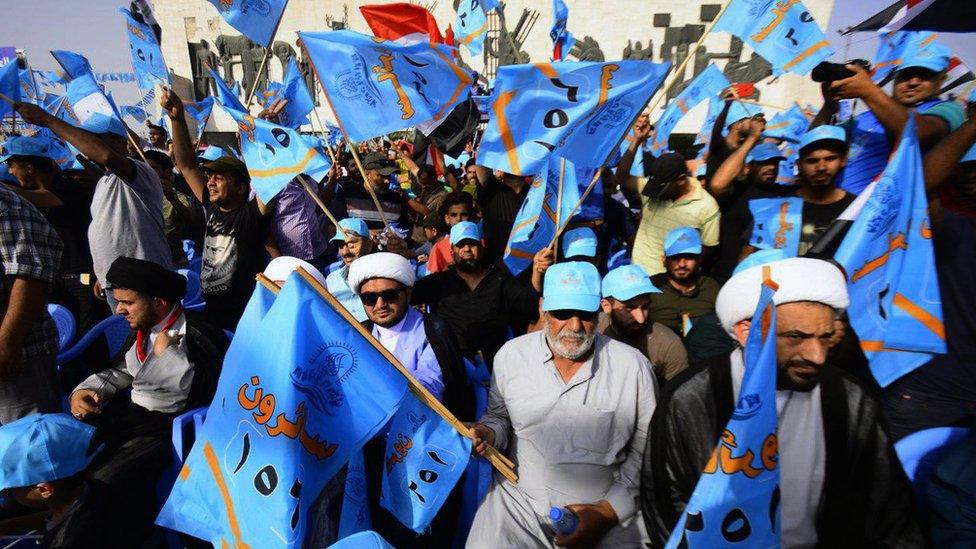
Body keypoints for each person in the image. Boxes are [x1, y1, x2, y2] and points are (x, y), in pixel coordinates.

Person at [641, 257, 923, 547]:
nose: (817, 356)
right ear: (747, 332)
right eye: (796, 337)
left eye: (825, 337)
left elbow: (888, 509)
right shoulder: (692, 398)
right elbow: (666, 500)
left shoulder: (850, 400)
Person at [467, 261, 657, 548]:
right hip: (520, 505)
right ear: (542, 308)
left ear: (599, 311)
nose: (575, 326)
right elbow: (499, 417)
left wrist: (607, 511)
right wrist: (487, 434)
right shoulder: (511, 356)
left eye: (585, 314)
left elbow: (647, 449)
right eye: (562, 314)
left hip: (604, 508)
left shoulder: (633, 368)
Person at [69, 256, 227, 544]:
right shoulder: (146, 330)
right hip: (137, 423)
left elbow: (177, 400)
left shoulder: (197, 335)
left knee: (104, 482)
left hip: (174, 431)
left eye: (127, 302)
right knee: (71, 461)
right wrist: (86, 390)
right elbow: (123, 370)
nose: (119, 310)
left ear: (158, 303)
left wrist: (165, 356)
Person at [347, 252, 471, 548]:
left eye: (389, 295)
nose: (379, 305)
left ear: (408, 292)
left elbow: (428, 386)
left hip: (422, 449)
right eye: (369, 298)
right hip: (373, 452)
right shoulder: (359, 334)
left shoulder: (434, 329)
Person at [14, 103, 173, 313]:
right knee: (135, 343)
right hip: (116, 283)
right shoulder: (104, 181)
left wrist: (48, 120)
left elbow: (105, 156)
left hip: (143, 281)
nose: (84, 144)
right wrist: (103, 273)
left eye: (95, 138)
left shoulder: (139, 171)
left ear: (119, 141)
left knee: (155, 340)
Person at [881, 103, 976, 440]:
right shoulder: (948, 230)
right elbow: (915, 192)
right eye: (966, 169)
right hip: (929, 394)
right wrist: (972, 127)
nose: (973, 178)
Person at [161, 88, 272, 331]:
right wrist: (177, 119)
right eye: (210, 176)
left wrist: (265, 134)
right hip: (212, 309)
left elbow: (271, 181)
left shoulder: (252, 216)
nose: (210, 182)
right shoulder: (211, 207)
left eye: (219, 178)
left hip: (245, 315)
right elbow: (188, 166)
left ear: (242, 187)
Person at [814, 43, 966, 195]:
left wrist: (868, 91)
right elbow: (814, 146)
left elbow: (918, 133)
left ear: (942, 79)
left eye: (925, 75)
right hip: (836, 209)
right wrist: (828, 106)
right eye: (906, 74)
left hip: (882, 214)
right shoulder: (865, 117)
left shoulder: (950, 110)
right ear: (895, 75)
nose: (913, 82)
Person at [1, 135, 102, 333]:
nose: (11, 171)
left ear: (30, 167)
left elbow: (44, 199)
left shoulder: (69, 186)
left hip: (81, 274)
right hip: (55, 276)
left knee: (86, 330)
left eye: (13, 165)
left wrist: (4, 190)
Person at [412, 221, 539, 367]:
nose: (467, 249)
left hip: (497, 366)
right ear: (452, 251)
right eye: (461, 245)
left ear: (481, 247)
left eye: (472, 244)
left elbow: (528, 304)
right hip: (449, 367)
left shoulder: (500, 280)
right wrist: (400, 253)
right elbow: (404, 295)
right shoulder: (438, 282)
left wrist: (537, 272)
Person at [737, 126, 856, 260]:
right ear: (799, 165)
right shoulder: (776, 208)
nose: (821, 167)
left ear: (843, 160)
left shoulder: (856, 210)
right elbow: (747, 260)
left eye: (830, 159)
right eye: (812, 160)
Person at [0, 414, 112, 548]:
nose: (5, 493)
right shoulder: (94, 489)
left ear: (44, 490)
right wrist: (11, 525)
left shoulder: (72, 541)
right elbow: (59, 517)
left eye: (8, 490)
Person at [0, 184, 63, 423]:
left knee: (28, 445)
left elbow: (31, 275)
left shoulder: (5, 204)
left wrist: (8, 344)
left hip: (17, 355)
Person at [626, 151, 720, 276]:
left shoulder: (707, 206)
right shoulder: (653, 189)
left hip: (668, 285)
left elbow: (707, 248)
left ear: (681, 180)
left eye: (663, 188)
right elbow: (621, 177)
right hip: (637, 277)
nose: (656, 193)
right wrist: (636, 141)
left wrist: (680, 276)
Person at [599, 264, 689, 382]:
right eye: (629, 309)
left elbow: (680, 396)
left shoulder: (669, 345)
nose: (640, 318)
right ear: (606, 306)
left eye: (645, 306)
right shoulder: (590, 331)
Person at [648, 227, 720, 335]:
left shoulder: (711, 287)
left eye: (689, 257)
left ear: (699, 259)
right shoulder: (651, 288)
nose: (682, 264)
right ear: (664, 260)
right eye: (675, 257)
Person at [142, 150, 204, 269]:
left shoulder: (177, 198)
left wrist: (173, 199)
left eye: (152, 168)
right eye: (143, 167)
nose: (146, 171)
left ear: (166, 172)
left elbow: (192, 220)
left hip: (172, 265)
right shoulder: (136, 194)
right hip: (144, 264)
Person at [325, 217, 374, 322]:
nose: (345, 252)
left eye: (352, 244)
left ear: (369, 245)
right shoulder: (331, 280)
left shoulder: (382, 277)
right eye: (341, 245)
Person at [426, 190, 474, 273]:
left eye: (464, 214)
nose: (459, 219)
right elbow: (432, 279)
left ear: (471, 216)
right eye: (454, 215)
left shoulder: (481, 244)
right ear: (447, 219)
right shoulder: (438, 248)